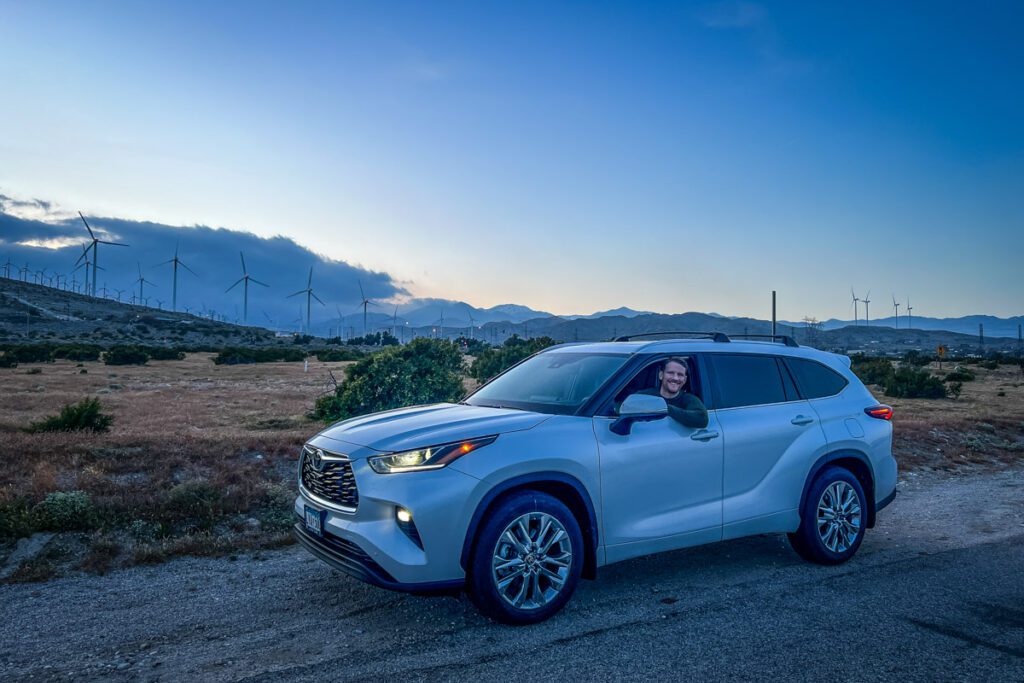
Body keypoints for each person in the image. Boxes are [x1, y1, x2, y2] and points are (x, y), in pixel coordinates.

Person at [637, 357, 708, 429]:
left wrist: (667, 409)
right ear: (661, 375)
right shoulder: (644, 396)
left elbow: (702, 419)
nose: (675, 378)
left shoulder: (689, 399)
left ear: (685, 380)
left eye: (680, 375)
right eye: (671, 373)